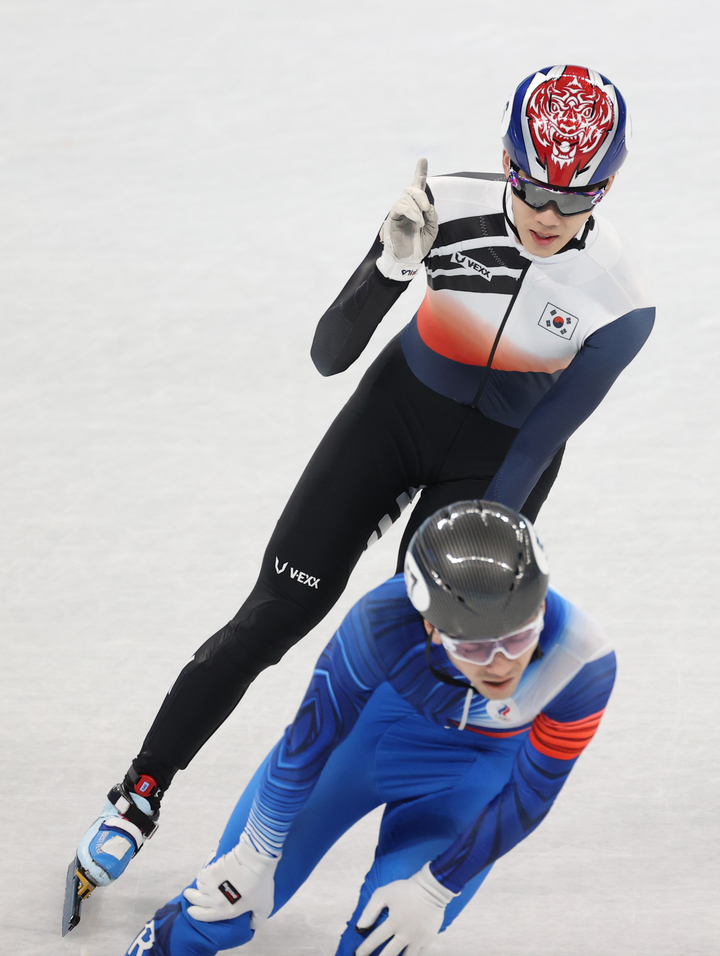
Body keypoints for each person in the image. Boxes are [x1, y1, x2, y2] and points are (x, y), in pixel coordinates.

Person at [71, 64, 652, 908]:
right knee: (273, 614)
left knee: (403, 652)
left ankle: (287, 838)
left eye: (576, 200)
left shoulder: (623, 299)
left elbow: (538, 443)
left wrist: (454, 578)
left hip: (498, 460)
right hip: (394, 415)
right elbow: (328, 354)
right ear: (506, 160)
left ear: (609, 185)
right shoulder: (445, 206)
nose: (548, 219)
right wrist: (388, 264)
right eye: (532, 191)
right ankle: (139, 794)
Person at [122, 500, 616, 956]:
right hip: (368, 740)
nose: (503, 665)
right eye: (474, 648)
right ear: (429, 626)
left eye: (521, 638)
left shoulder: (583, 660)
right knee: (222, 908)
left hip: (468, 778)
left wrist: (434, 888)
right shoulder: (382, 619)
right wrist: (255, 853)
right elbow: (309, 742)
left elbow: (531, 794)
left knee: (380, 942)